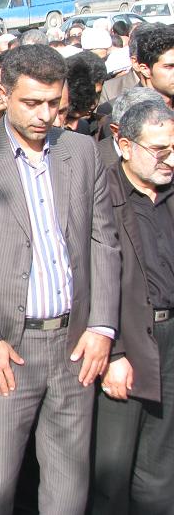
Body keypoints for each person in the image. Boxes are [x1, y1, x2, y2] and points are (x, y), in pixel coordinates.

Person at [0, 44, 120, 515]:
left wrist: (102, 326)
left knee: (68, 488)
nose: (44, 115)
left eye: (53, 103)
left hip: (75, 345)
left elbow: (103, 241)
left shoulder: (81, 151)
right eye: (32, 102)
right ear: (5, 94)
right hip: (6, 350)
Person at [89, 100, 174, 515]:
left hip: (170, 338)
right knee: (112, 470)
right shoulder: (101, 193)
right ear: (124, 145)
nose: (169, 160)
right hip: (124, 340)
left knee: (162, 469)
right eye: (159, 150)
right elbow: (89, 280)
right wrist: (114, 352)